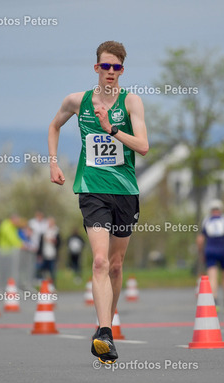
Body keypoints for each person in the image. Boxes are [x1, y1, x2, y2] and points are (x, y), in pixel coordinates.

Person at [48, 40, 149, 364]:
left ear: (122, 70)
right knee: (100, 262)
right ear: (96, 68)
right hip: (92, 189)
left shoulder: (131, 102)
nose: (110, 72)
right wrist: (53, 163)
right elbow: (54, 125)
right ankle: (104, 331)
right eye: (105, 66)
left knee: (116, 265)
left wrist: (112, 129)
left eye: (116, 67)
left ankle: (107, 323)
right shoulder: (77, 101)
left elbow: (143, 146)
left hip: (125, 191)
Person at [196, 199, 224, 312]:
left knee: (212, 276)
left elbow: (200, 239)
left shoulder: (206, 220)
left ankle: (214, 301)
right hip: (222, 250)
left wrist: (201, 252)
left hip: (209, 250)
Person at [38, 217, 61, 285]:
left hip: (53, 254)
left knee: (52, 271)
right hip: (45, 254)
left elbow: (59, 243)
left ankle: (52, 284)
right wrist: (39, 254)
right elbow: (40, 243)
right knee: (43, 270)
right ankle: (44, 284)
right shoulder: (44, 232)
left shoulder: (56, 232)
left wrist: (54, 241)